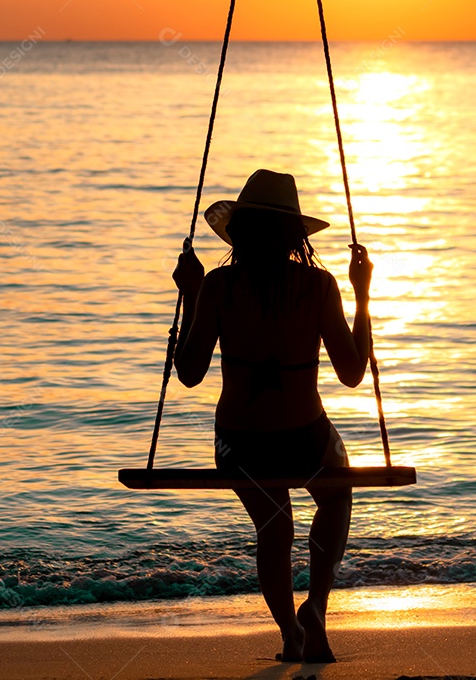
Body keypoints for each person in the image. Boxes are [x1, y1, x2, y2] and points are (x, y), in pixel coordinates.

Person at [171, 169, 372, 663]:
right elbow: (351, 374)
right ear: (293, 238)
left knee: (275, 527)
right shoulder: (319, 286)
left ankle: (290, 634)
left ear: (239, 234)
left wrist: (190, 293)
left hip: (241, 445)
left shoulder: (219, 286)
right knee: (336, 496)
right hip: (305, 439)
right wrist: (363, 293)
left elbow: (191, 374)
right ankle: (316, 610)